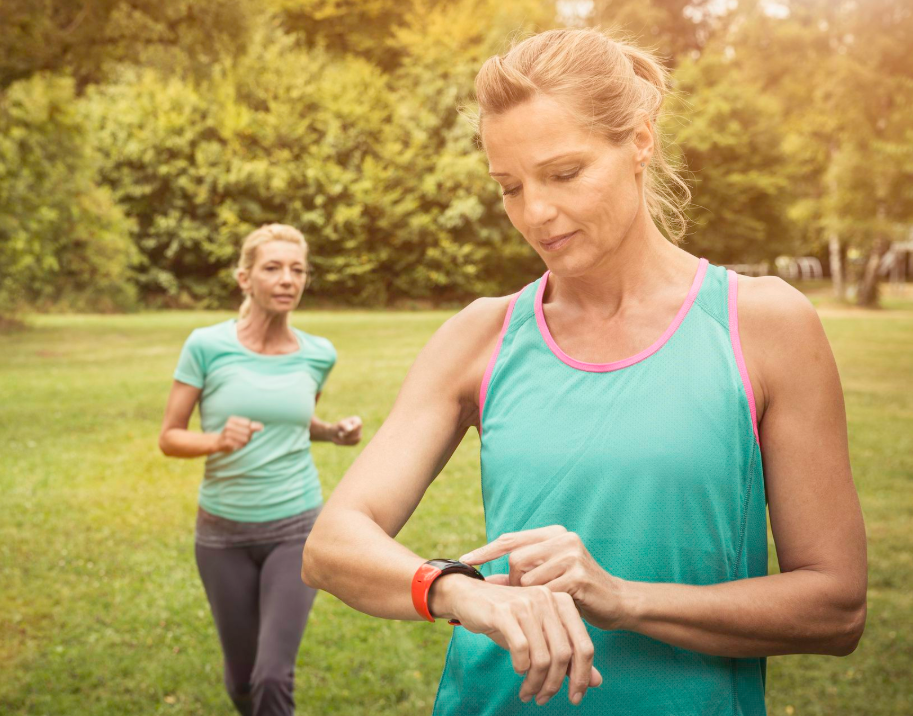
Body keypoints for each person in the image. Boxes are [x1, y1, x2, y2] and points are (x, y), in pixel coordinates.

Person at [301, 28, 867, 715]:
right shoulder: (481, 335)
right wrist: (458, 590)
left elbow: (834, 608)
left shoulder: (763, 325)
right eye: (509, 186)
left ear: (639, 141)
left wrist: (622, 599)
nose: (534, 213)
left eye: (564, 173)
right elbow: (332, 545)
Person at [159, 223, 363, 716]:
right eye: (272, 268)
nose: (287, 279)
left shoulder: (318, 354)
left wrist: (331, 430)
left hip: (295, 526)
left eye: (297, 270)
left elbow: (294, 423)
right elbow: (169, 435)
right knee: (242, 682)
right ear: (244, 278)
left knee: (272, 676)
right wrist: (215, 439)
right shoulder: (207, 346)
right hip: (222, 533)